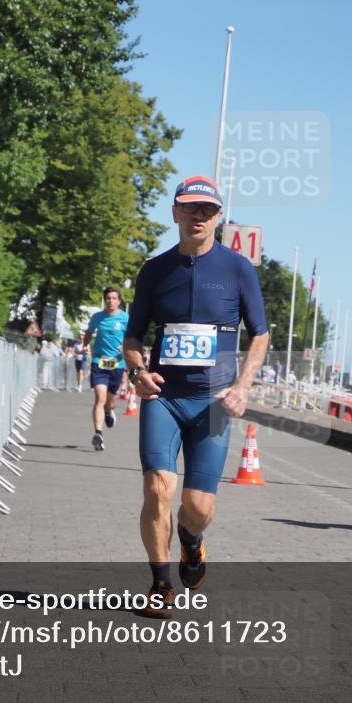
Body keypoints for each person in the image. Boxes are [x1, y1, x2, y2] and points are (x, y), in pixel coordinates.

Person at [124, 175, 269, 618]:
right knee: (156, 489)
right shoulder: (154, 271)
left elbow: (260, 336)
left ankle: (191, 542)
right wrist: (138, 372)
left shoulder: (238, 269)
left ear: (218, 217)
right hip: (164, 399)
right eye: (189, 208)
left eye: (206, 210)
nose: (198, 217)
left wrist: (243, 386)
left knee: (197, 507)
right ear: (175, 214)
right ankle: (160, 583)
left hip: (214, 402)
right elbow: (132, 337)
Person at [83, 288, 129, 451]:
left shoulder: (125, 318)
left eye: (114, 298)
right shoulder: (97, 317)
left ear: (119, 301)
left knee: (110, 401)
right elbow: (89, 332)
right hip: (99, 362)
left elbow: (132, 337)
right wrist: (85, 345)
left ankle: (109, 411)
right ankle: (98, 433)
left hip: (118, 365)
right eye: (108, 298)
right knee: (99, 399)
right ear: (104, 300)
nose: (110, 300)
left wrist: (126, 348)